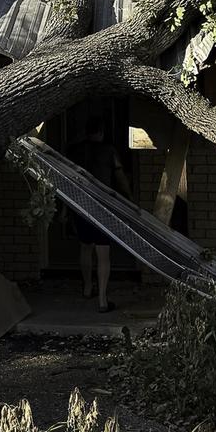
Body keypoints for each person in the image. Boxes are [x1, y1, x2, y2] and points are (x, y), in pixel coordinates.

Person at [67, 115, 130, 312]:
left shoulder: (76, 151)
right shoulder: (108, 150)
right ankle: (102, 300)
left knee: (85, 248)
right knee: (103, 253)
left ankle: (87, 288)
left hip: (81, 204)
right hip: (103, 205)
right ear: (101, 132)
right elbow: (119, 176)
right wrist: (130, 198)